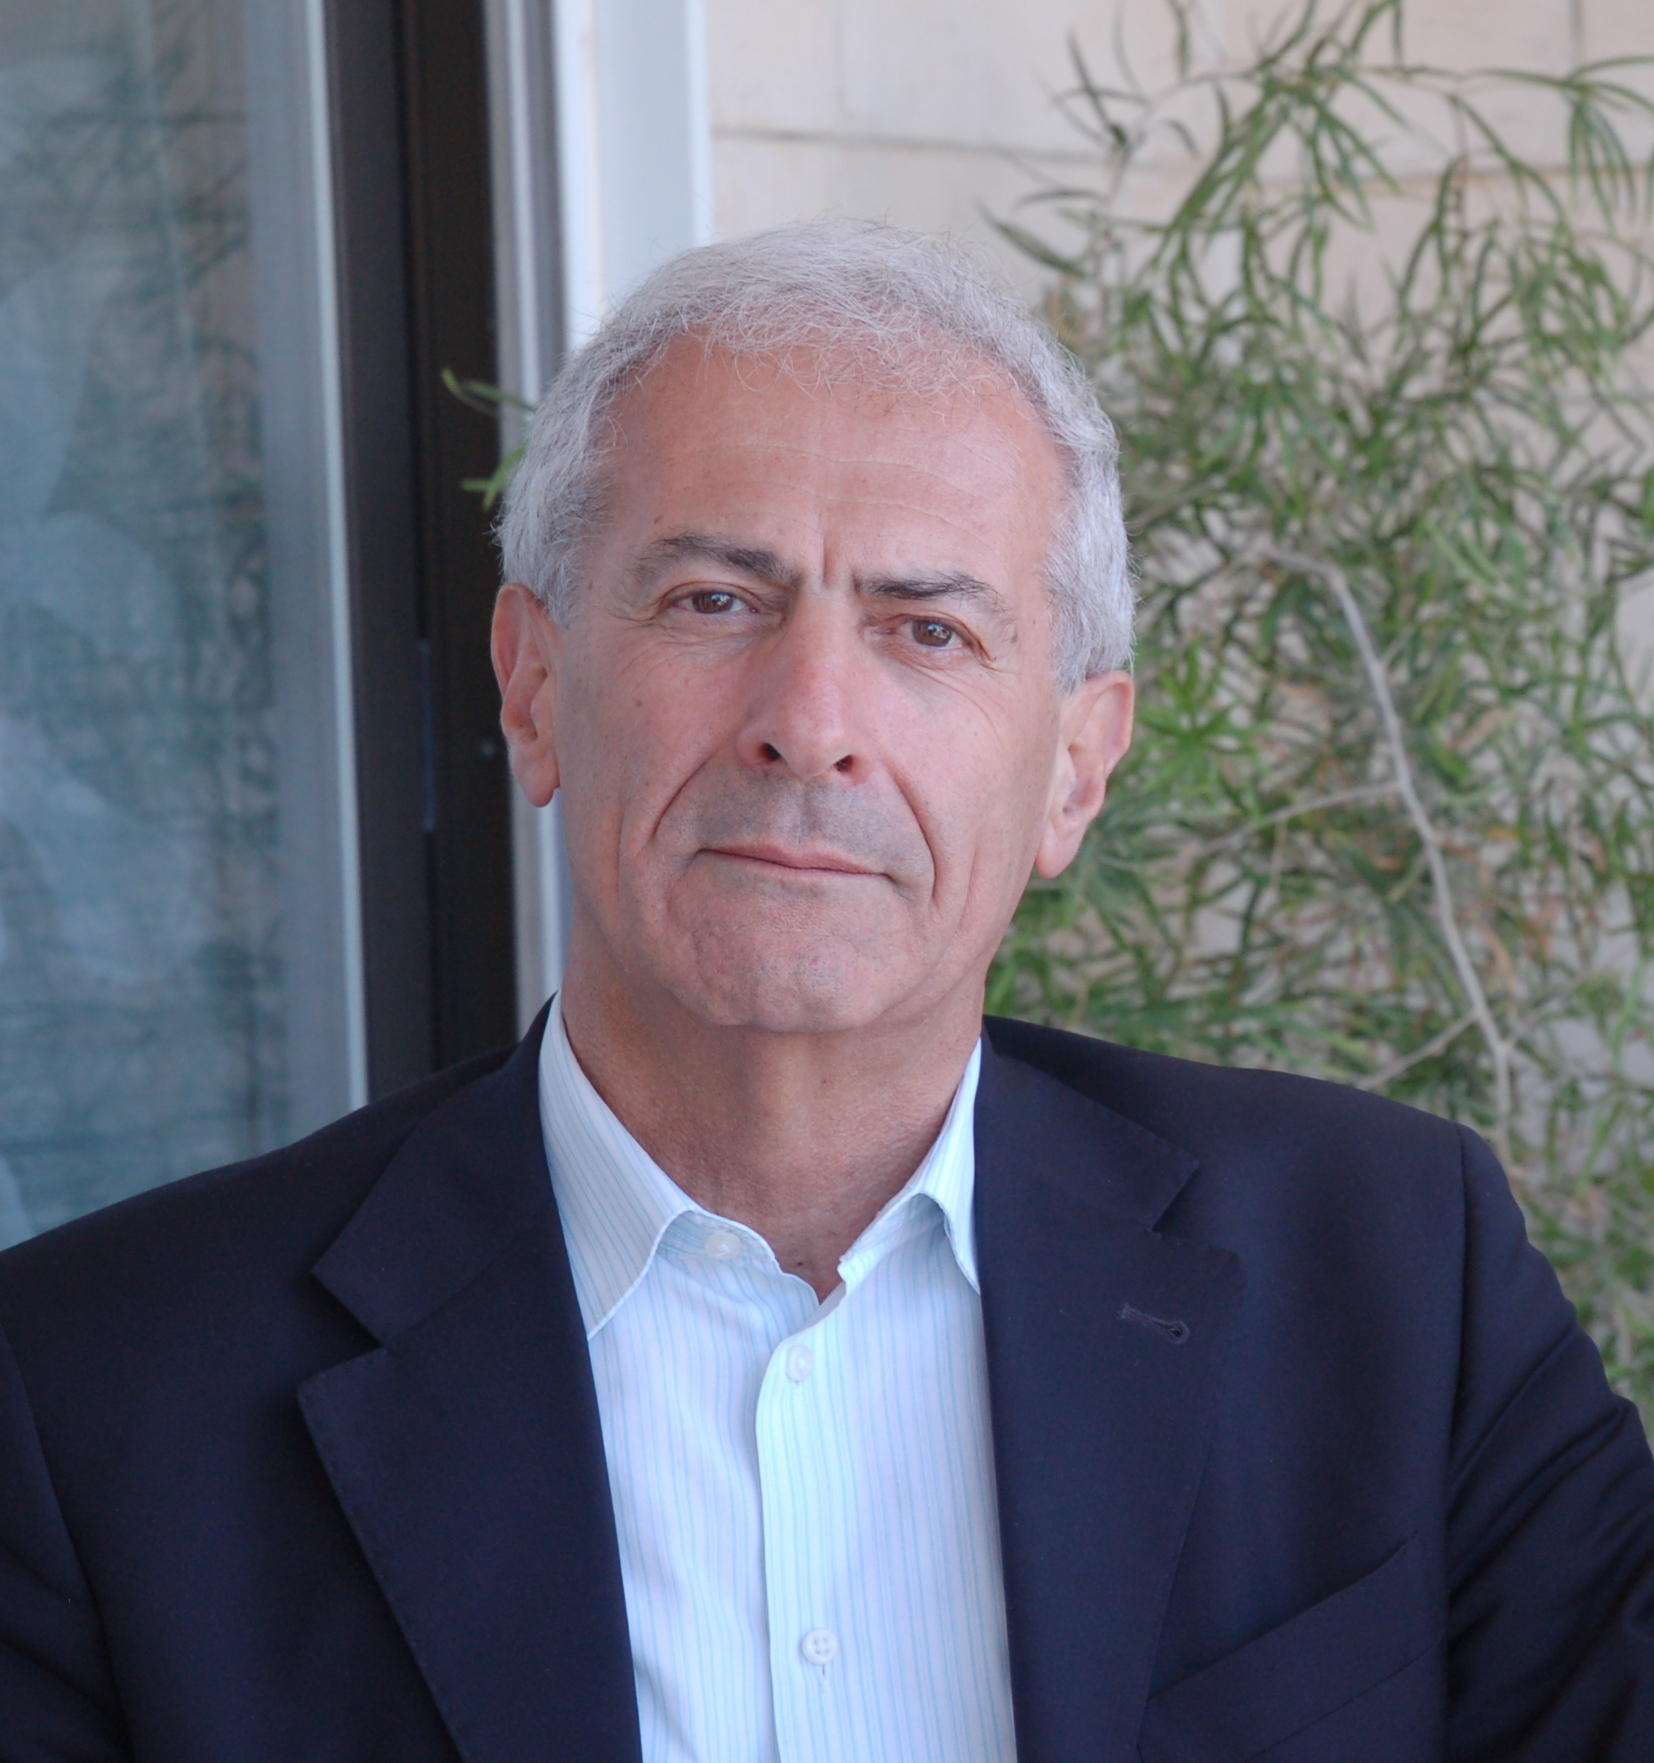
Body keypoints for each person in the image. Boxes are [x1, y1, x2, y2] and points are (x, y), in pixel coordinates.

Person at [1, 219, 1651, 1763]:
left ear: (1074, 770)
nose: (810, 722)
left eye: (927, 632)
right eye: (714, 601)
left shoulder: (1396, 1277)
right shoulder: (99, 1393)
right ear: (534, 687)